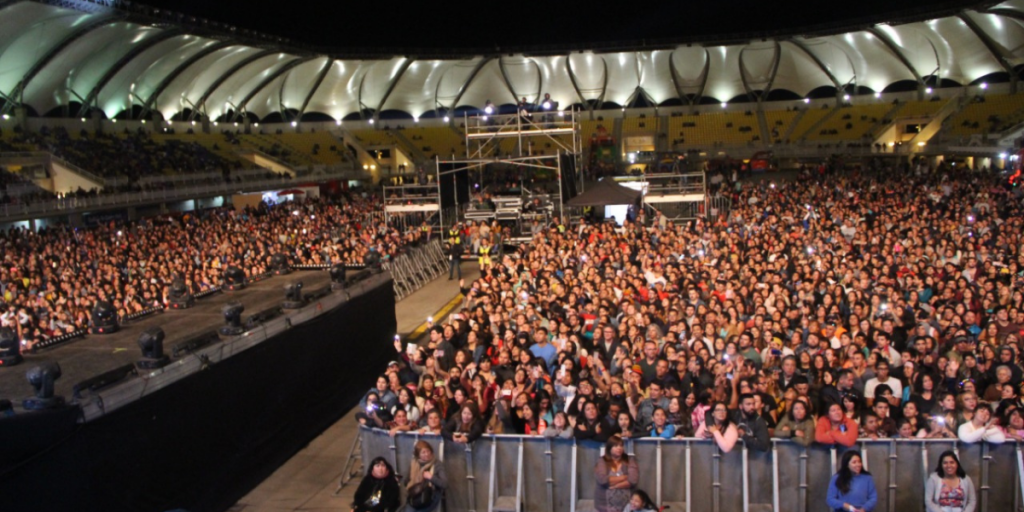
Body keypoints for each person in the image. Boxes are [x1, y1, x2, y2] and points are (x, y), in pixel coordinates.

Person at [594, 435, 639, 512]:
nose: (619, 448)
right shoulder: (602, 460)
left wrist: (616, 485)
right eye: (615, 446)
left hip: (628, 507)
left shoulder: (630, 460)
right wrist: (624, 477)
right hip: (604, 507)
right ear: (609, 448)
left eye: (621, 445)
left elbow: (633, 480)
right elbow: (603, 480)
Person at [405, 441, 446, 512]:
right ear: (418, 455)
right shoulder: (414, 463)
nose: (427, 454)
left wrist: (431, 477)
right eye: (423, 452)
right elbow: (406, 481)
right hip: (415, 495)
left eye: (428, 451)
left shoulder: (437, 464)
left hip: (430, 496)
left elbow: (444, 484)